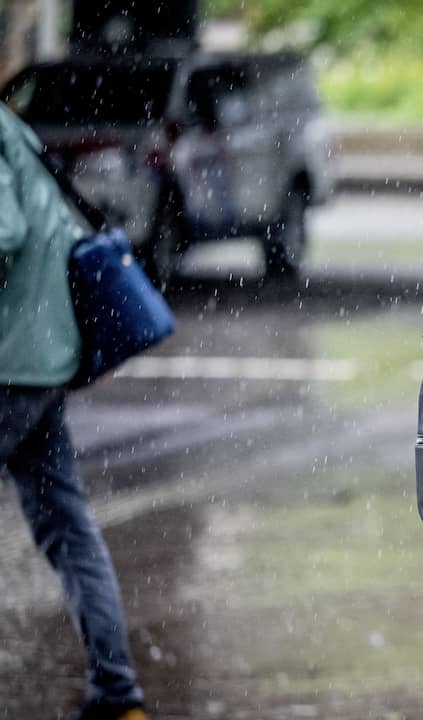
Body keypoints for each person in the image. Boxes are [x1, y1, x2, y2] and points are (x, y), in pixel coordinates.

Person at [0, 104, 148, 720]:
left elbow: (4, 232)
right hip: (43, 352)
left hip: (9, 362)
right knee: (66, 523)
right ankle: (116, 691)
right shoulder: (10, 126)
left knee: (66, 523)